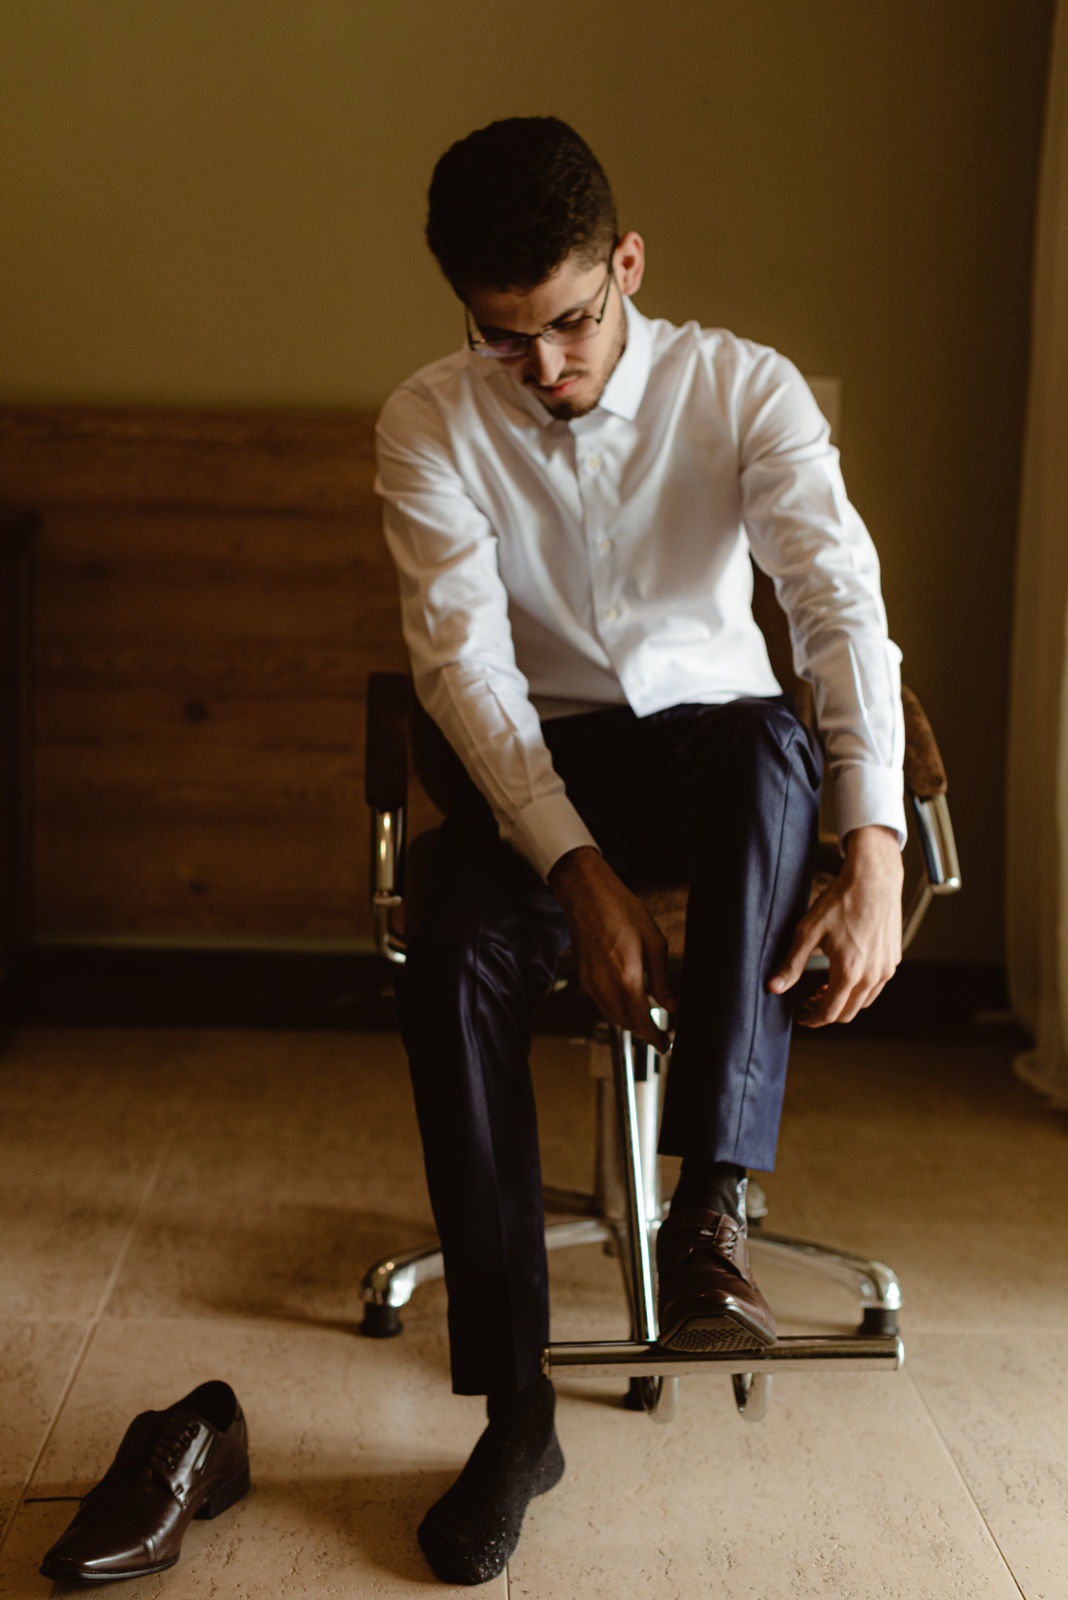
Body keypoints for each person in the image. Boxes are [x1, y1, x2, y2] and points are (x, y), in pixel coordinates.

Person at [374, 116, 905, 1586]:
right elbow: (465, 678)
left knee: (765, 745)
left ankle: (710, 1214)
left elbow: (836, 602)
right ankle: (516, 1412)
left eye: (567, 323)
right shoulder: (426, 421)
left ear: (627, 263)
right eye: (502, 339)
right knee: (450, 946)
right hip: (533, 771)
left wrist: (872, 844)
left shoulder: (747, 390)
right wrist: (572, 867)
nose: (543, 370)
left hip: (712, 756)